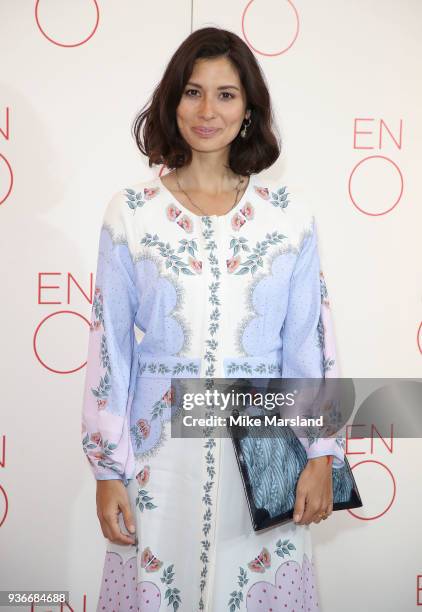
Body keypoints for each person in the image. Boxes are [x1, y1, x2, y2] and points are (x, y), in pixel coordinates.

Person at [81, 26, 345, 611]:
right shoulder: (129, 214)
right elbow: (110, 351)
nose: (208, 111)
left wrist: (323, 452)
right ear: (172, 101)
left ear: (249, 109)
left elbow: (310, 346)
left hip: (268, 453)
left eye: (226, 94)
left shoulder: (289, 218)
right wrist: (107, 467)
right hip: (158, 463)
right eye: (193, 92)